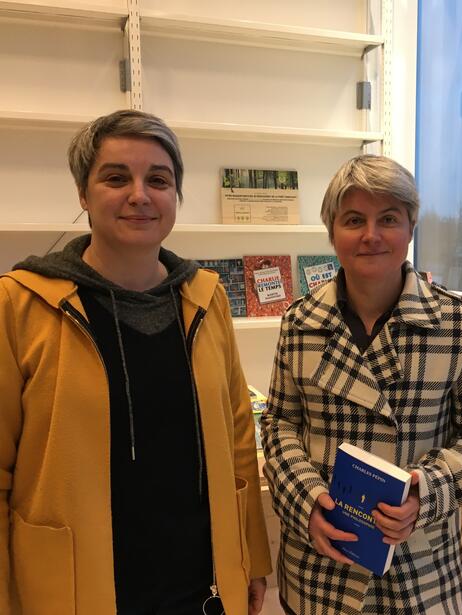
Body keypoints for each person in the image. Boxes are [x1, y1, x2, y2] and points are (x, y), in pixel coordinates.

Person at [0, 110, 271, 615]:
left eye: (159, 180)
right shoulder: (20, 305)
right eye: (116, 177)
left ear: (175, 197)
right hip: (72, 592)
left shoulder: (207, 300)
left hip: (200, 589)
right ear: (83, 193)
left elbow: (238, 442)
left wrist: (251, 555)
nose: (140, 195)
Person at [261, 154, 462, 614]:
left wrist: (425, 490)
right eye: (354, 219)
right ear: (332, 231)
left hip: (422, 570)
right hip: (321, 570)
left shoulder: (457, 323)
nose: (371, 235)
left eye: (389, 219)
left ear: (411, 226)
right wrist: (307, 502)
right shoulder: (299, 321)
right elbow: (279, 423)